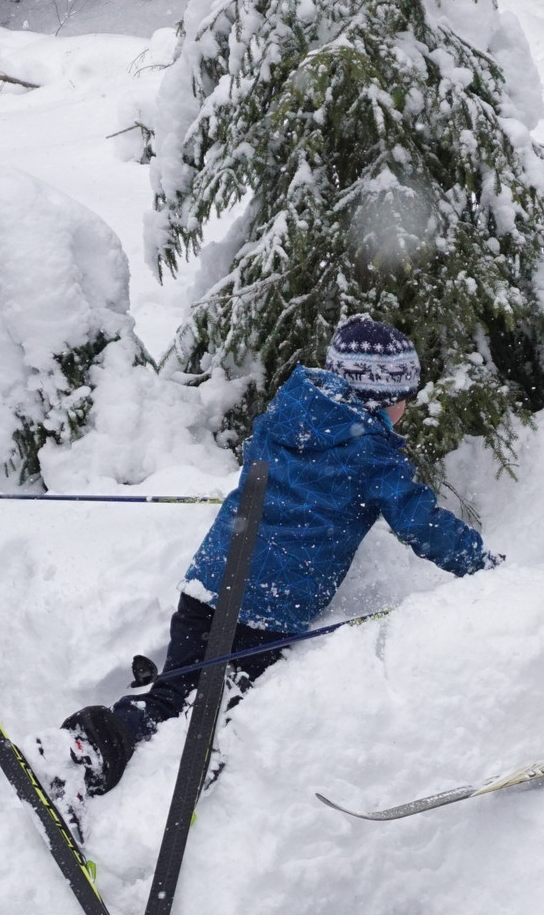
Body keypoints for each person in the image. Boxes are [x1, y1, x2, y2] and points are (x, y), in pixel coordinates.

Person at [46, 317, 497, 798]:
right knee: (216, 701)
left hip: (210, 582)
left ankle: (99, 734)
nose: (407, 406)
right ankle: (141, 764)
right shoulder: (373, 455)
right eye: (404, 396)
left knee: (173, 690)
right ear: (382, 399)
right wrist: (480, 563)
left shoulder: (287, 415)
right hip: (269, 606)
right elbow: (420, 523)